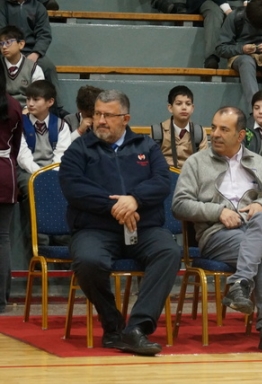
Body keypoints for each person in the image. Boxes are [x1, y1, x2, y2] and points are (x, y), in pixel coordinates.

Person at [58, 90, 182, 355]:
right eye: (97, 114)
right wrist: (115, 205)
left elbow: (162, 182)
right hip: (95, 229)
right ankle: (112, 323)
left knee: (169, 251)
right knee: (89, 261)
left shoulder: (146, 146)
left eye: (108, 115)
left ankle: (136, 328)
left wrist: (135, 199)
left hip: (144, 228)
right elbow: (73, 187)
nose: (100, 120)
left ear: (125, 118)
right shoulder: (79, 148)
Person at [172, 106, 262, 355]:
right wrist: (218, 212)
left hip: (253, 229)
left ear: (240, 135)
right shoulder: (196, 162)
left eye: (223, 129)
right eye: (213, 127)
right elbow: (179, 205)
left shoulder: (257, 162)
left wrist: (260, 204)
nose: (215, 133)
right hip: (217, 235)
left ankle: (240, 282)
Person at [16, 80, 69, 261]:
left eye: (36, 99)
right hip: (28, 171)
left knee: (65, 186)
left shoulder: (61, 125)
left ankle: (64, 241)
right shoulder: (20, 124)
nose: (30, 103)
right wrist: (39, 175)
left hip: (54, 170)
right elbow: (22, 156)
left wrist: (49, 175)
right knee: (31, 188)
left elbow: (61, 156)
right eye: (28, 99)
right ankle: (40, 245)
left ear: (50, 102)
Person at [216, 0, 262, 115]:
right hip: (241, 55)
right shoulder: (235, 17)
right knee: (247, 62)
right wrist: (241, 49)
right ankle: (255, 110)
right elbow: (221, 47)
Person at [0, 1, 62, 109]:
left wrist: (36, 53)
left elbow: (44, 34)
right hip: (9, 47)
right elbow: (2, 31)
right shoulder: (2, 5)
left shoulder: (38, 6)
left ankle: (56, 109)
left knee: (48, 67)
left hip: (32, 50)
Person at [0, 71, 22, 314]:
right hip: (4, 172)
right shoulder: (14, 105)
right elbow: (15, 145)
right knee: (2, 238)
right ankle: (0, 300)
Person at [151, 85, 209, 169]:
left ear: (192, 108)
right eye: (179, 104)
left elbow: (203, 162)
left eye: (188, 104)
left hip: (191, 177)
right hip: (165, 177)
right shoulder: (158, 131)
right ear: (170, 108)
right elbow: (152, 161)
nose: (184, 107)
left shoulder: (199, 132)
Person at [0, 25, 44, 106]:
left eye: (8, 42)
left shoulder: (33, 68)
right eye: (1, 43)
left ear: (21, 44)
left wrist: (27, 110)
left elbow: (39, 97)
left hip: (26, 110)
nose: (4, 47)